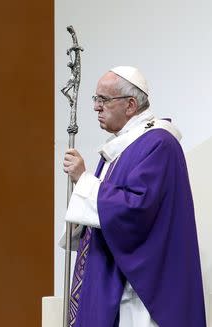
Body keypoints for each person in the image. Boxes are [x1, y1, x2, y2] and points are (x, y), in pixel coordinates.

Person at [61, 66, 206, 327]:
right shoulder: (123, 147)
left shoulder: (158, 144)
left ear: (130, 105)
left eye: (103, 99)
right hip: (121, 284)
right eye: (96, 99)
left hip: (140, 293)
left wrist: (84, 181)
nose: (96, 107)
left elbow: (137, 210)